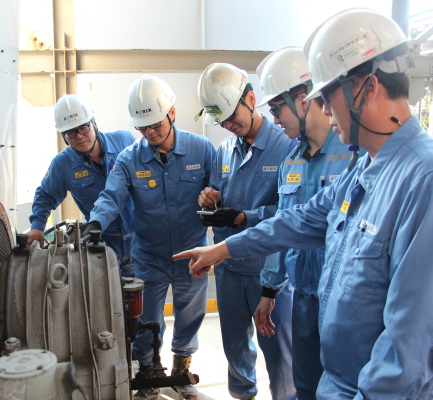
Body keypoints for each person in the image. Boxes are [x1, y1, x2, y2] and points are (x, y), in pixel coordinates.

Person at [174, 8, 433, 400]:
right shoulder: (363, 171)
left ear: (367, 87)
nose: (325, 111)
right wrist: (222, 249)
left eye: (327, 97)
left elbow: (412, 344)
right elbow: (295, 221)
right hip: (337, 380)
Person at [83, 75, 216, 400]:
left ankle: (182, 370)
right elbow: (111, 196)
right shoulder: (129, 159)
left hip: (192, 255)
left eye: (156, 124)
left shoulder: (202, 149)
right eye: (143, 128)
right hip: (149, 258)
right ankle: (149, 372)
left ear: (172, 113)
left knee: (190, 315)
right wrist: (96, 223)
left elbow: (220, 189)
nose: (150, 133)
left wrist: (215, 198)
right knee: (145, 321)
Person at [255, 47, 360, 400]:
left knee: (343, 387)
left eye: (276, 109)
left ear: (303, 100)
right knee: (306, 386)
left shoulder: (354, 155)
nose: (274, 119)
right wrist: (269, 289)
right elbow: (284, 225)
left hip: (345, 302)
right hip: (303, 299)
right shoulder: (291, 161)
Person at [194, 63, 296, 400]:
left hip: (268, 270)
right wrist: (209, 198)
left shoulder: (286, 147)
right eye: (221, 120)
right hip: (229, 268)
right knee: (234, 344)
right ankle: (242, 393)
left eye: (231, 116)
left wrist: (242, 218)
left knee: (279, 351)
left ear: (251, 99)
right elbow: (217, 189)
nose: (227, 125)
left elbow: (291, 215)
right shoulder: (225, 150)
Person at [27, 94, 136, 277]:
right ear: (64, 136)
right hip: (103, 244)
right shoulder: (63, 164)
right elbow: (45, 195)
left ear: (94, 122)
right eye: (70, 133)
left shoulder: (124, 141)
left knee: (142, 292)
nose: (79, 137)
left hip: (139, 239)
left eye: (84, 128)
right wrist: (37, 226)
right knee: (106, 293)